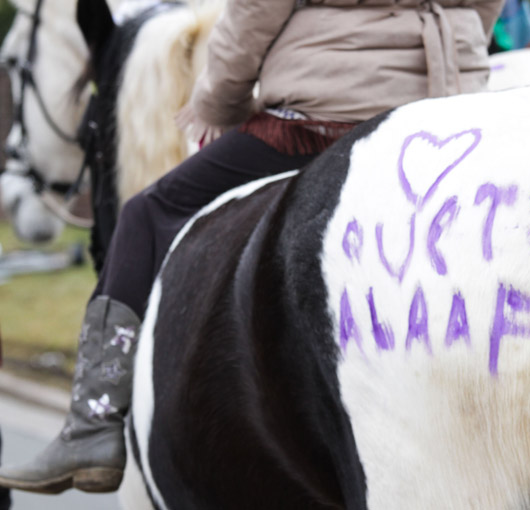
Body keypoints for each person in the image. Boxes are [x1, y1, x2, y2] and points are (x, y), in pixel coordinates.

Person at [0, 0, 503, 495]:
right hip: (444, 111)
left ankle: (92, 424)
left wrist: (219, 101)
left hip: (319, 115)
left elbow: (256, 11)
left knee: (146, 214)